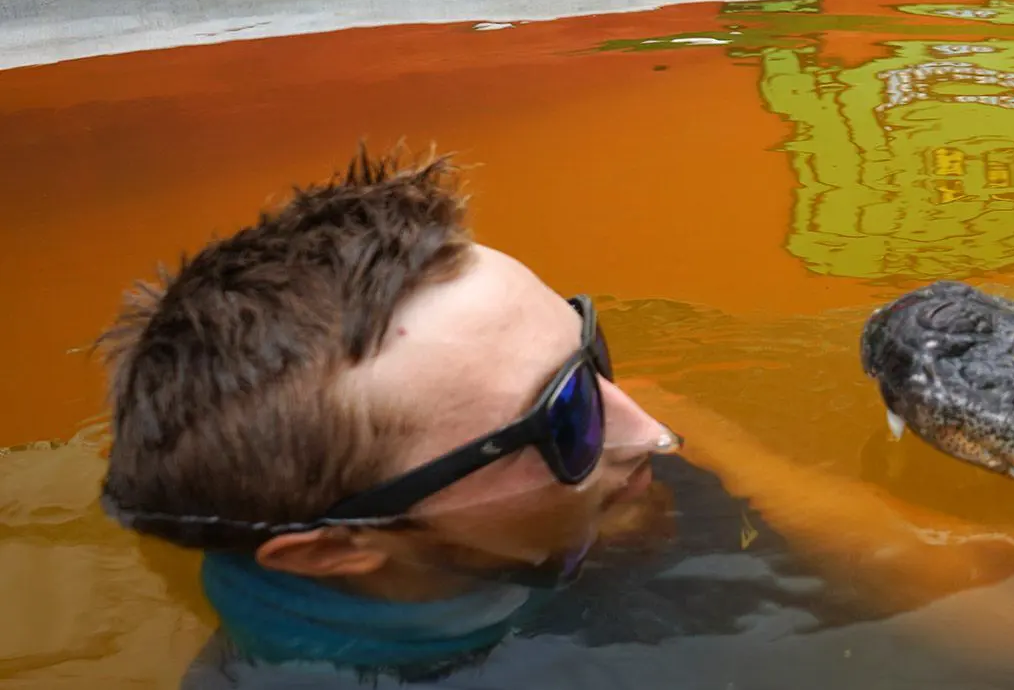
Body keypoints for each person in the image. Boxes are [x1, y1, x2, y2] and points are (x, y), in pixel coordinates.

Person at [95, 143, 684, 681]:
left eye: (589, 357)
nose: (654, 431)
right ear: (334, 550)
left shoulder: (565, 497)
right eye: (566, 418)